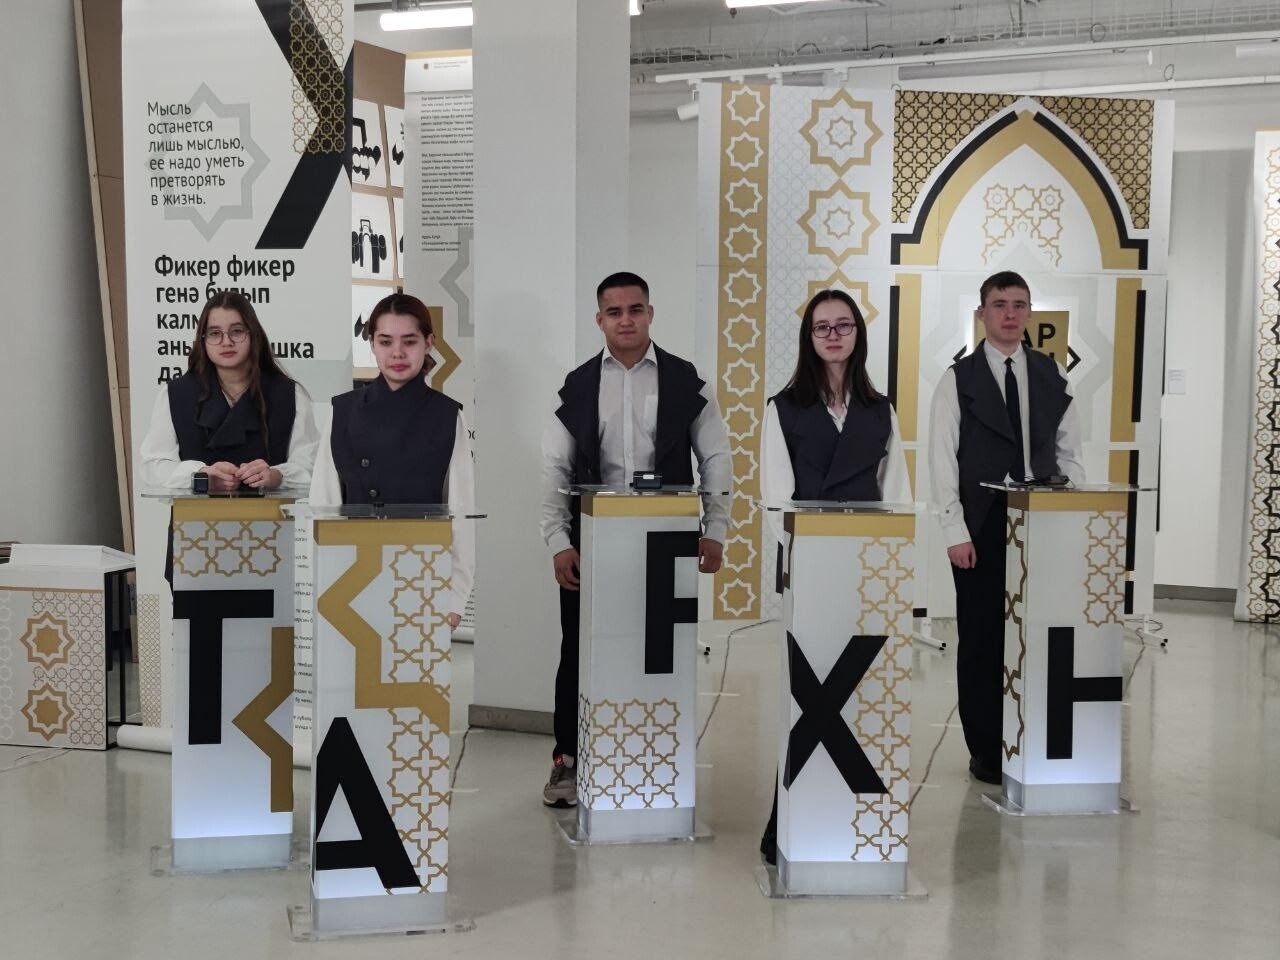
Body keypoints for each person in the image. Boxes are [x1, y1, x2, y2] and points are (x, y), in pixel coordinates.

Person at [539, 271, 732, 807]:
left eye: (635, 309)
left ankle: (656, 756)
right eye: (614, 311)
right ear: (599, 319)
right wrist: (557, 539)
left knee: (661, 653)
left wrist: (715, 529)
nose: (626, 320)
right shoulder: (576, 385)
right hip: (592, 541)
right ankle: (567, 761)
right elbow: (554, 468)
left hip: (667, 539)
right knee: (580, 650)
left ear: (650, 313)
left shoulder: (687, 381)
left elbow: (716, 458)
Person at [757, 288, 912, 865]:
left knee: (860, 695)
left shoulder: (880, 409)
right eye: (822, 327)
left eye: (843, 325)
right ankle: (787, 823)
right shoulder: (783, 408)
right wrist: (803, 560)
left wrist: (891, 561)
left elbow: (897, 493)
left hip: (868, 568)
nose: (833, 335)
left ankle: (851, 820)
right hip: (811, 569)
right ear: (808, 338)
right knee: (811, 697)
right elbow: (776, 498)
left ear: (858, 334)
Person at [928, 271, 1085, 785]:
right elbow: (941, 460)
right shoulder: (958, 379)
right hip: (981, 525)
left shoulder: (1051, 374)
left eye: (1019, 304)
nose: (1010, 314)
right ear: (982, 314)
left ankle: (1032, 739)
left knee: (1038, 635)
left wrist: (1072, 516)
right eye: (999, 304)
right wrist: (954, 530)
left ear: (1030, 312)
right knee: (981, 638)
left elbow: (1069, 451)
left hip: (1041, 521)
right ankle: (986, 750)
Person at [310, 293, 475, 629]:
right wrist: (320, 583)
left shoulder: (446, 416)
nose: (397, 353)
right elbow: (323, 504)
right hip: (350, 573)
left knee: (414, 663)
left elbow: (461, 512)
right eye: (385, 341)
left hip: (423, 573)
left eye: (409, 341)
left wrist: (455, 596)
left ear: (428, 343)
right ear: (372, 343)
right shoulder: (342, 411)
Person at [142, 290, 319, 493]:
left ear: (253, 334)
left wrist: (277, 475)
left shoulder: (289, 394)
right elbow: (152, 466)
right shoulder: (175, 394)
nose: (226, 342)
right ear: (203, 340)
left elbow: (313, 466)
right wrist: (200, 476)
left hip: (269, 513)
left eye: (237, 331)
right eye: (215, 333)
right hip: (193, 514)